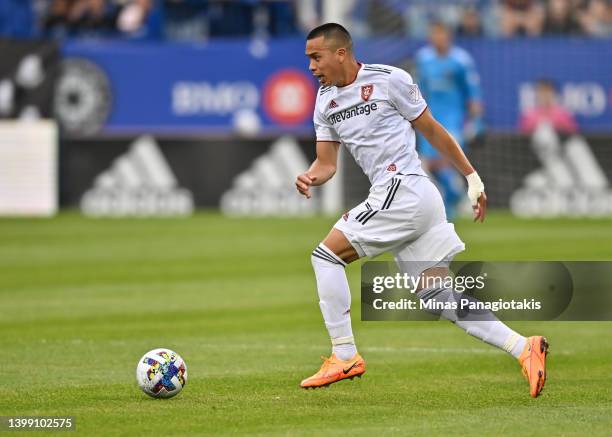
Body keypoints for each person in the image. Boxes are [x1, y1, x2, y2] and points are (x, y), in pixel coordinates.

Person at [296, 23, 548, 397]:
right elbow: (326, 163)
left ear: (341, 53)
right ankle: (524, 347)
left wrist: (471, 176)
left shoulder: (390, 79)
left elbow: (431, 129)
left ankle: (344, 355)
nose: (312, 66)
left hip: (404, 190)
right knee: (436, 295)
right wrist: (311, 177)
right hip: (411, 200)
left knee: (326, 257)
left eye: (316, 57)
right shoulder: (324, 101)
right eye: (308, 59)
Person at [415, 21, 483, 219]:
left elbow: (473, 92)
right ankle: (453, 197)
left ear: (449, 36)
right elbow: (418, 89)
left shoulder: (461, 60)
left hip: (453, 119)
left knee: (444, 160)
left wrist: (475, 119)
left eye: (442, 34)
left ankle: (452, 200)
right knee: (433, 164)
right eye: (435, 34)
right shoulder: (423, 59)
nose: (438, 39)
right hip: (430, 120)